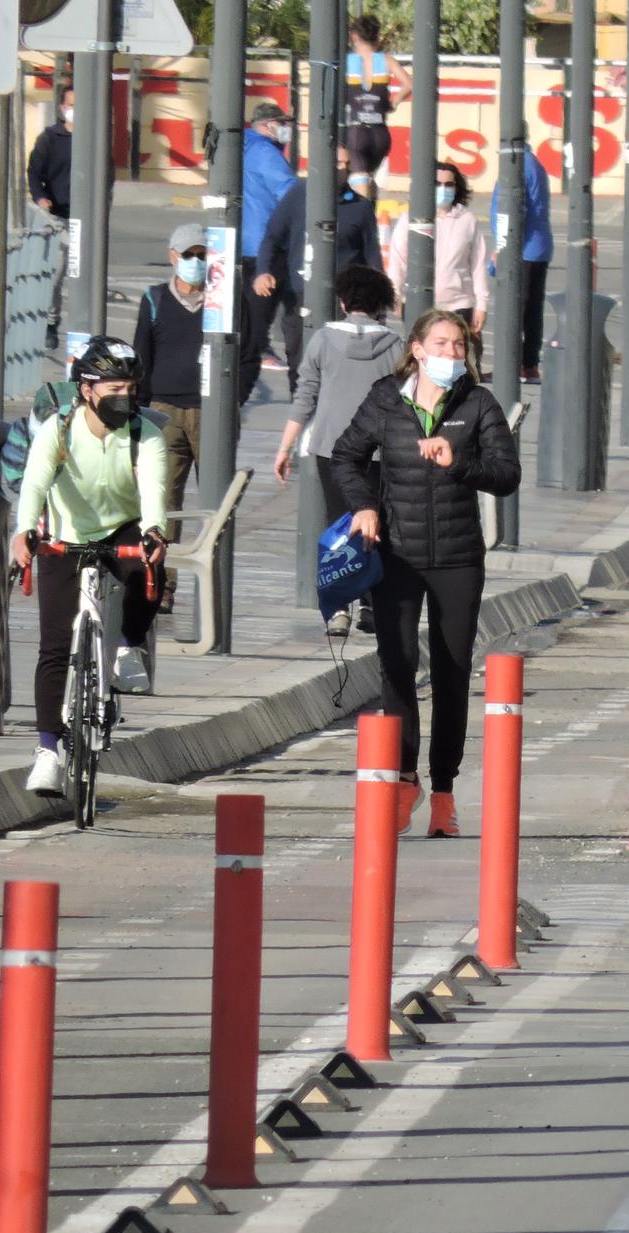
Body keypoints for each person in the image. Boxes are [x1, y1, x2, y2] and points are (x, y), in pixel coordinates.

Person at [331, 310, 520, 839]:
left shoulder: (478, 403)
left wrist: (456, 463)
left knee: (453, 671)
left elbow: (506, 476)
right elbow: (345, 457)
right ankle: (404, 778)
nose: (452, 354)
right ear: (416, 348)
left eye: (459, 345)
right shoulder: (386, 398)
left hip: (458, 559)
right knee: (397, 667)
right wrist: (364, 506)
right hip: (397, 554)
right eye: (441, 343)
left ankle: (443, 792)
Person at [10, 337, 169, 796]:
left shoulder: (145, 434)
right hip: (66, 535)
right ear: (87, 390)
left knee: (148, 568)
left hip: (121, 525)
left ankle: (129, 644)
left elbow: (155, 492)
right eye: (114, 386)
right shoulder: (58, 431)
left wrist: (154, 532)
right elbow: (35, 484)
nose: (125, 395)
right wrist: (25, 533)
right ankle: (46, 752)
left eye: (131, 386)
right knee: (55, 646)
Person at [274, 265, 404, 637]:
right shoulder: (395, 345)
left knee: (338, 523)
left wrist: (285, 446)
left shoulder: (322, 340)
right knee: (375, 524)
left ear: (344, 301)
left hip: (331, 448)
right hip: (380, 452)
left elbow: (305, 396)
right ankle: (371, 605)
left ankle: (338, 611)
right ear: (381, 304)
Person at [131, 224, 209, 614]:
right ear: (173, 256)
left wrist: (236, 397)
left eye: (202, 254)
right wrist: (139, 413)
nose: (197, 262)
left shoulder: (222, 301)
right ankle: (163, 585)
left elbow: (249, 353)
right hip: (164, 410)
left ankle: (214, 587)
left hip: (211, 411)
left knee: (215, 501)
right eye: (189, 254)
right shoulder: (156, 298)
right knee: (164, 500)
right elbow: (140, 356)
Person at [388, 161, 490, 337]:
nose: (443, 189)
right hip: (419, 304)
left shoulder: (468, 220)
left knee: (456, 359)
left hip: (458, 306)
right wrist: (395, 295)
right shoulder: (410, 218)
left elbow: (478, 265)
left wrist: (482, 305)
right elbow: (398, 259)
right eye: (437, 184)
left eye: (449, 184)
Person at [261, 146, 383, 293]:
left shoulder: (361, 206)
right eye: (338, 163)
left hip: (344, 295)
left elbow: (372, 254)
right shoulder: (298, 194)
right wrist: (263, 271)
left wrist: (380, 292)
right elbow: (272, 236)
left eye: (348, 164)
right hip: (301, 291)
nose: (344, 169)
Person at [240, 101, 299, 404]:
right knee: (263, 308)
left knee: (247, 310)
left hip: (244, 241)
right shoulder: (266, 152)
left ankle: (256, 348)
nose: (286, 128)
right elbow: (289, 192)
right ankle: (259, 350)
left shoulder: (244, 146)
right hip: (265, 241)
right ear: (267, 124)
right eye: (282, 121)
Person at [490, 147, 554, 382]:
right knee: (531, 311)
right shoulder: (534, 164)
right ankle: (529, 364)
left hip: (523, 248)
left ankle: (512, 365)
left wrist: (503, 247)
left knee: (513, 309)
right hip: (537, 247)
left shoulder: (518, 167)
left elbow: (515, 209)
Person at [344, 14, 411, 201]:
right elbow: (409, 84)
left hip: (357, 131)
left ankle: (362, 222)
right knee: (368, 178)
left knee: (359, 179)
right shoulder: (387, 60)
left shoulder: (348, 62)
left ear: (355, 36)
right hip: (380, 133)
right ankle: (370, 222)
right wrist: (393, 103)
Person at [28, 86, 75, 349]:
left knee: (83, 274)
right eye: (70, 104)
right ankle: (50, 322)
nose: (74, 110)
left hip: (86, 218)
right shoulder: (50, 138)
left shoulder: (94, 136)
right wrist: (40, 197)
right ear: (61, 107)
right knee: (56, 273)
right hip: (57, 216)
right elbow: (34, 172)